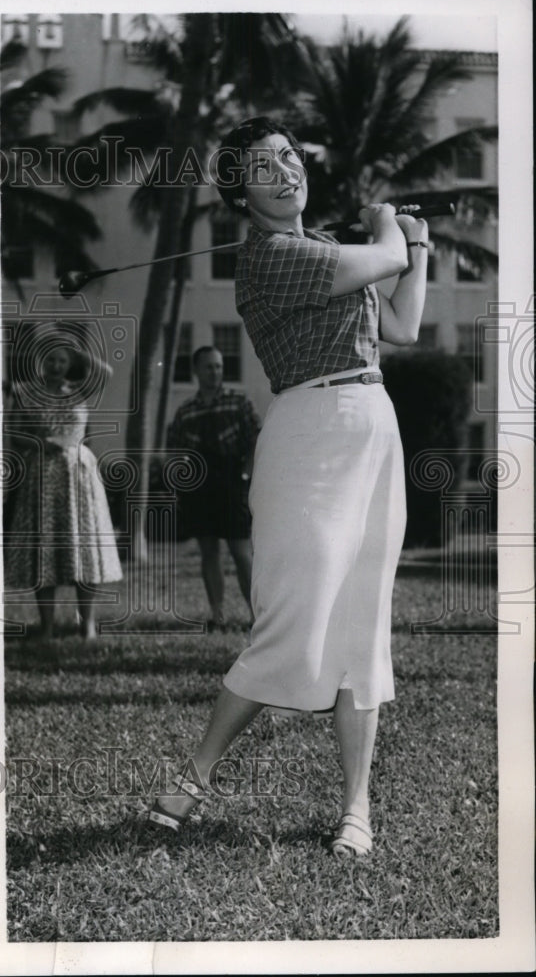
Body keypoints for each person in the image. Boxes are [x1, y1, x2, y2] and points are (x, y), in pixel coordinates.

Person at [148, 116, 428, 858]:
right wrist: (389, 226)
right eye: (263, 168)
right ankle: (192, 779)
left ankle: (355, 808)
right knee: (288, 620)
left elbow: (403, 326)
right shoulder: (270, 255)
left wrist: (416, 245)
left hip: (373, 423)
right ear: (242, 193)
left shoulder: (332, 250)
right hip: (309, 430)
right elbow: (386, 254)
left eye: (289, 158)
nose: (285, 171)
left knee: (364, 627)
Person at [4, 325, 122, 641]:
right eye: (51, 359)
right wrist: (40, 444)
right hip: (43, 476)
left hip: (79, 477)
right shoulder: (25, 391)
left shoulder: (78, 391)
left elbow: (106, 372)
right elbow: (13, 435)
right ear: (41, 361)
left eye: (62, 360)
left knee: (83, 548)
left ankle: (87, 625)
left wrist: (73, 347)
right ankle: (47, 626)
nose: (56, 365)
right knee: (46, 551)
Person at [166, 345, 259, 626]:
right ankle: (217, 615)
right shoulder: (186, 411)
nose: (215, 372)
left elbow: (256, 440)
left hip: (232, 481)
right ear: (196, 371)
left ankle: (259, 617)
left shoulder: (238, 401)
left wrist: (245, 474)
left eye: (219, 366)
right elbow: (174, 451)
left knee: (242, 552)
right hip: (201, 487)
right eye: (208, 367)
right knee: (209, 551)